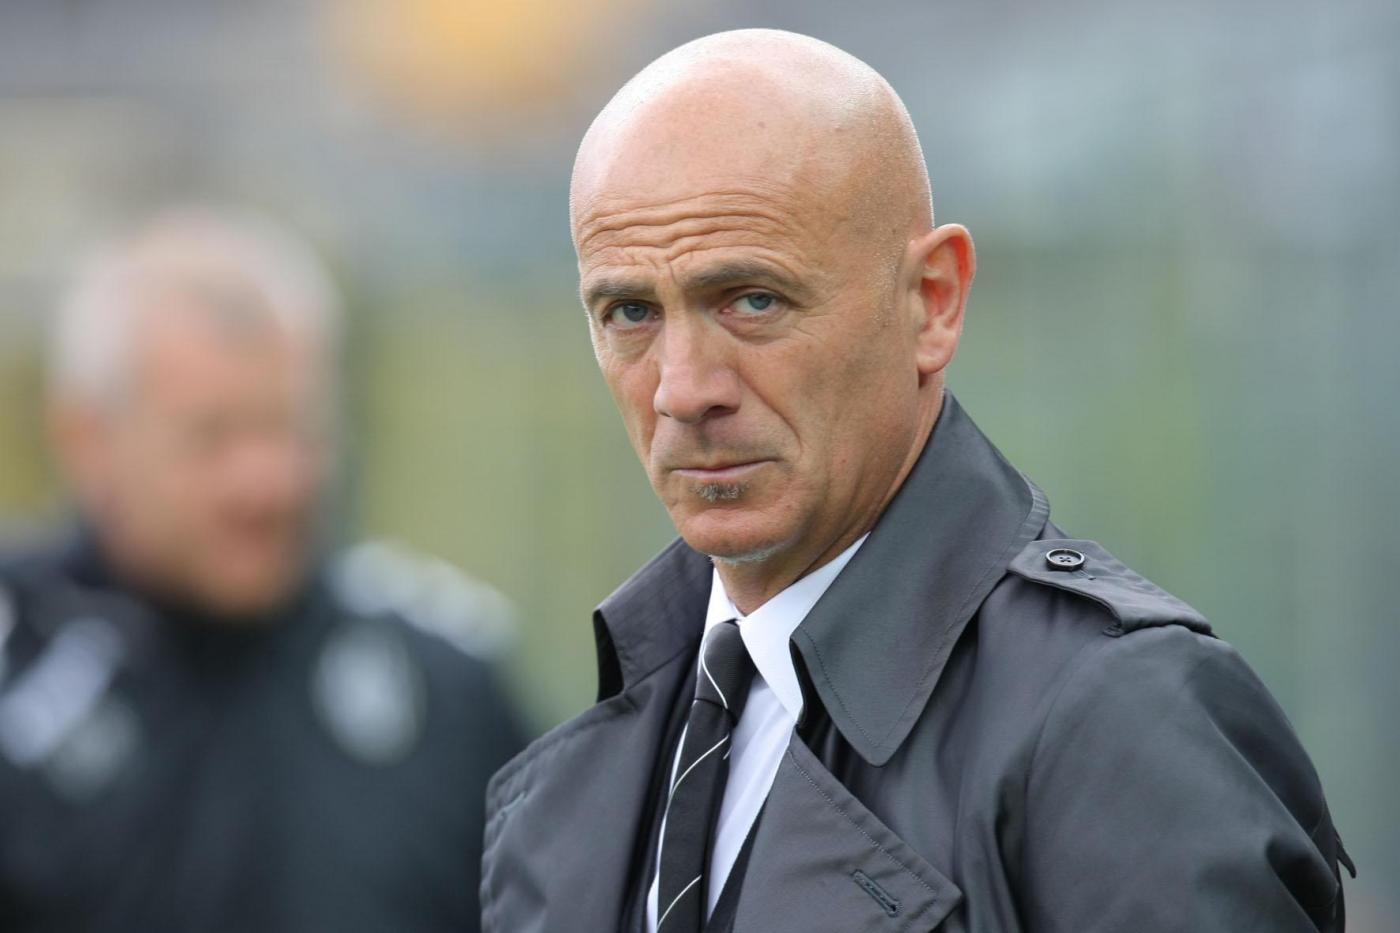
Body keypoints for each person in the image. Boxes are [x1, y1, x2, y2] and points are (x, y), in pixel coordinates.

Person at [481, 29, 1351, 933]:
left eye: (752, 299)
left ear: (932, 300)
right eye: (630, 312)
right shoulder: (585, 785)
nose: (682, 389)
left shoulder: (1117, 727)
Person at [0, 208, 524, 933]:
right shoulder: (18, 665)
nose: (267, 481)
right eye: (212, 437)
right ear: (86, 437)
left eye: (292, 428)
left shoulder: (441, 681)